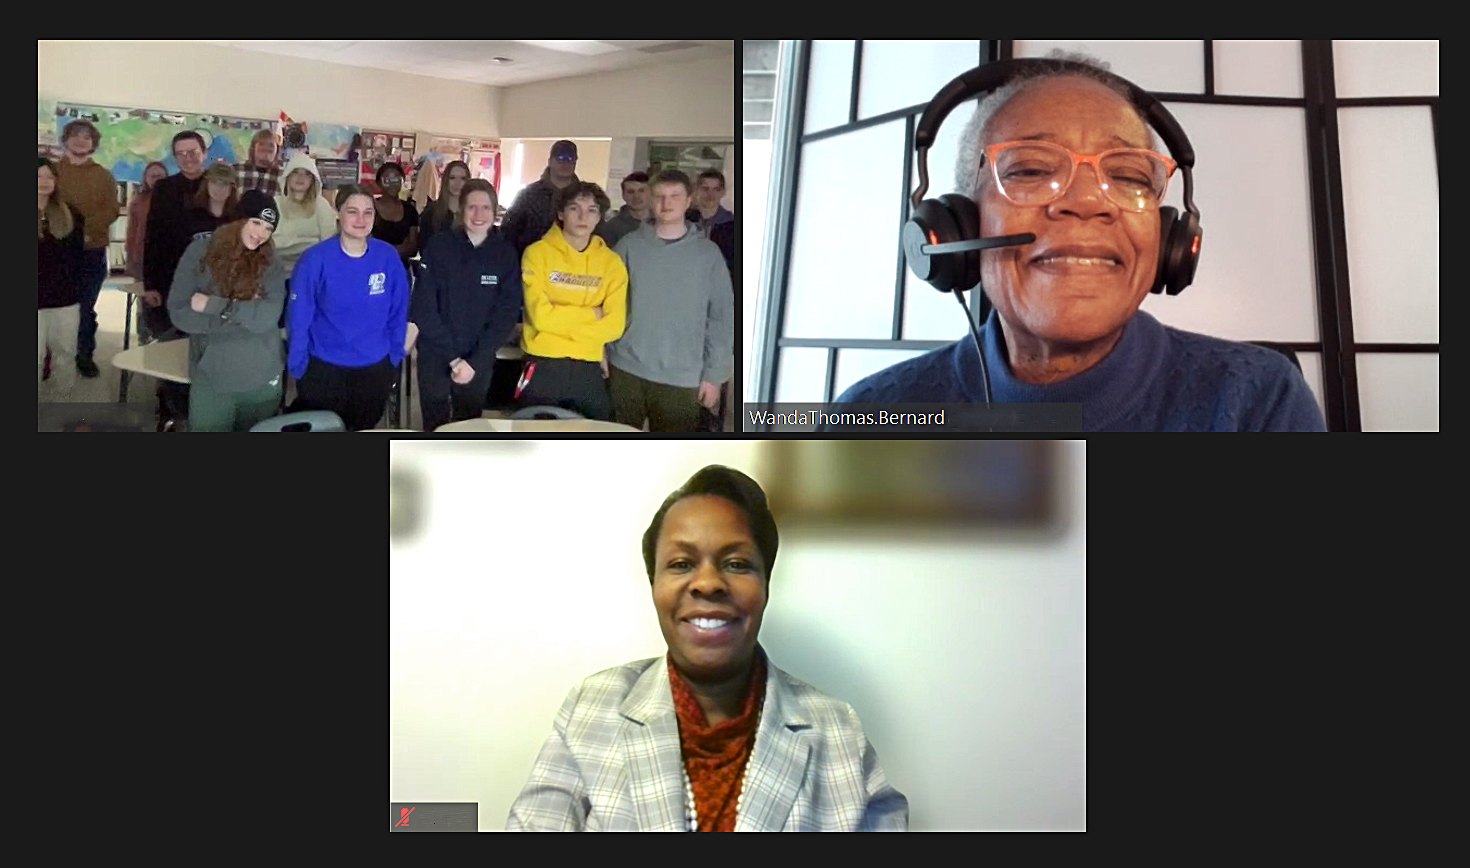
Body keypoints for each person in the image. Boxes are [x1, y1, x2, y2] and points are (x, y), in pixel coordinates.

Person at [834, 53, 1326, 432]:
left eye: (1129, 175)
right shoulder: (870, 416)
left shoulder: (1258, 401)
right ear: (958, 222)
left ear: (1170, 235)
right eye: (1030, 169)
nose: (1088, 202)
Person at [507, 466, 909, 831]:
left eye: (736, 564)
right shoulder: (592, 706)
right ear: (653, 586)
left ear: (766, 586)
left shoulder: (837, 728)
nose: (708, 583)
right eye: (681, 564)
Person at [607, 170, 733, 433]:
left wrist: (714, 376)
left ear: (689, 201)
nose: (667, 203)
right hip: (626, 366)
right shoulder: (628, 246)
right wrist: (602, 349)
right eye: (660, 196)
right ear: (651, 200)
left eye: (675, 196)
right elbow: (607, 301)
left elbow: (721, 317)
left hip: (683, 374)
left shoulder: (708, 255)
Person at [288, 184, 410, 431]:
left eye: (368, 212)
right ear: (338, 213)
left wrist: (395, 355)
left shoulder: (387, 257)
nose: (361, 219)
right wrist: (298, 362)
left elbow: (399, 311)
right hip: (324, 367)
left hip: (374, 369)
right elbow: (299, 315)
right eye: (352, 211)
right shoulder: (315, 259)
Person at [166, 191, 286, 432]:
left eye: (268, 228)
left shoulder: (271, 262)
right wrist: (245, 314)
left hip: (263, 377)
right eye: (256, 222)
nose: (261, 234)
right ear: (239, 219)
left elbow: (268, 317)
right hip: (213, 378)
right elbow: (178, 311)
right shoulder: (199, 252)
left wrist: (215, 306)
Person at [410, 180, 521, 431]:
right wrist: (453, 358)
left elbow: (506, 313)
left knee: (468, 426)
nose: (478, 215)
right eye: (472, 207)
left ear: (495, 211)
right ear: (461, 210)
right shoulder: (439, 246)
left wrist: (474, 362)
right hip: (436, 355)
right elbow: (423, 306)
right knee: (434, 424)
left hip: (478, 358)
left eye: (485, 208)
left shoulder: (504, 254)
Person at [517, 182, 627, 420]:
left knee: (590, 444)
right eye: (574, 208)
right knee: (532, 437)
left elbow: (615, 326)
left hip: (588, 367)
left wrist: (560, 324)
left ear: (599, 217)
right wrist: (592, 315)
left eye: (591, 210)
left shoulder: (612, 263)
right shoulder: (537, 254)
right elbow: (541, 318)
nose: (582, 216)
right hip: (543, 364)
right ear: (560, 213)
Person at [144, 131, 211, 426]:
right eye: (181, 153)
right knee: (173, 349)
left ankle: (202, 404)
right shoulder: (165, 189)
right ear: (174, 157)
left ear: (204, 152)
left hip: (211, 282)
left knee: (204, 349)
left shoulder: (218, 185)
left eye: (193, 151)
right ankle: (170, 407)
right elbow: (153, 239)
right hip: (171, 278)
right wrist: (151, 285)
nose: (188, 158)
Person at [54, 119, 121, 380]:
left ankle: (84, 356)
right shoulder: (53, 171)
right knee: (52, 307)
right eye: (75, 135)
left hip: (89, 250)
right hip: (55, 252)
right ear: (65, 139)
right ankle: (51, 358)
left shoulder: (103, 175)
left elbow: (111, 210)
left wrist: (81, 228)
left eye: (86, 137)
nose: (80, 140)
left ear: (93, 143)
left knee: (84, 308)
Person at [273, 153, 339, 329]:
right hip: (276, 279)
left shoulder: (322, 206)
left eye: (306, 173)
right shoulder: (274, 204)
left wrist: (288, 244)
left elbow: (328, 247)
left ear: (313, 179)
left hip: (311, 281)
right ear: (287, 176)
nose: (300, 178)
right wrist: (309, 243)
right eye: (296, 172)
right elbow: (270, 245)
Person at [39, 158, 86, 401]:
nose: (44, 182)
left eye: (49, 177)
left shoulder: (71, 214)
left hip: (65, 299)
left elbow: (79, 257)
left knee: (66, 353)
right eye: (38, 176)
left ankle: (60, 404)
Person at [502, 140, 580, 256]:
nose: (565, 163)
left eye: (570, 159)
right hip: (530, 261)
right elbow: (508, 233)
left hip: (573, 265)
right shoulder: (528, 195)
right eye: (561, 158)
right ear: (550, 161)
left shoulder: (584, 197)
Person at [124, 160, 168, 344]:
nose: (156, 179)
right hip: (142, 257)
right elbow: (132, 232)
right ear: (145, 179)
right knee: (144, 303)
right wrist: (132, 259)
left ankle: (164, 335)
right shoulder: (138, 201)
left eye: (160, 175)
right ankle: (144, 336)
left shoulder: (175, 198)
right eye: (152, 175)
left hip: (166, 258)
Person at [370, 162, 419, 269]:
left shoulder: (410, 209)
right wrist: (400, 249)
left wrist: (384, 249)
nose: (393, 184)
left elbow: (413, 248)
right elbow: (368, 246)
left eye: (397, 179)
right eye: (387, 180)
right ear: (378, 183)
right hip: (374, 267)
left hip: (401, 269)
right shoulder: (370, 208)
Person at [419, 160, 470, 249]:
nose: (457, 183)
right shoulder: (431, 212)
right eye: (452, 178)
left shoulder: (473, 213)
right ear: (446, 180)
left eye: (462, 178)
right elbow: (423, 245)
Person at [184, 163, 240, 241]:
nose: (219, 188)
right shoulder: (191, 215)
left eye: (225, 183)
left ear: (232, 189)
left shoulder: (238, 219)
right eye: (214, 182)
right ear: (206, 184)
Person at [595, 171, 651, 249]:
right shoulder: (611, 228)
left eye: (641, 191)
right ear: (623, 195)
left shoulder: (663, 223)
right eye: (630, 192)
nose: (636, 196)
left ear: (651, 193)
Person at [685, 170, 734, 237]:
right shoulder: (684, 220)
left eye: (716, 189)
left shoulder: (732, 224)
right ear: (696, 190)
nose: (710, 194)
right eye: (705, 189)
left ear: (723, 192)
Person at [234, 129, 282, 197]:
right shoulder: (235, 170)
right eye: (262, 144)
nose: (266, 147)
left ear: (277, 151)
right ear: (253, 148)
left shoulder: (283, 176)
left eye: (271, 145)